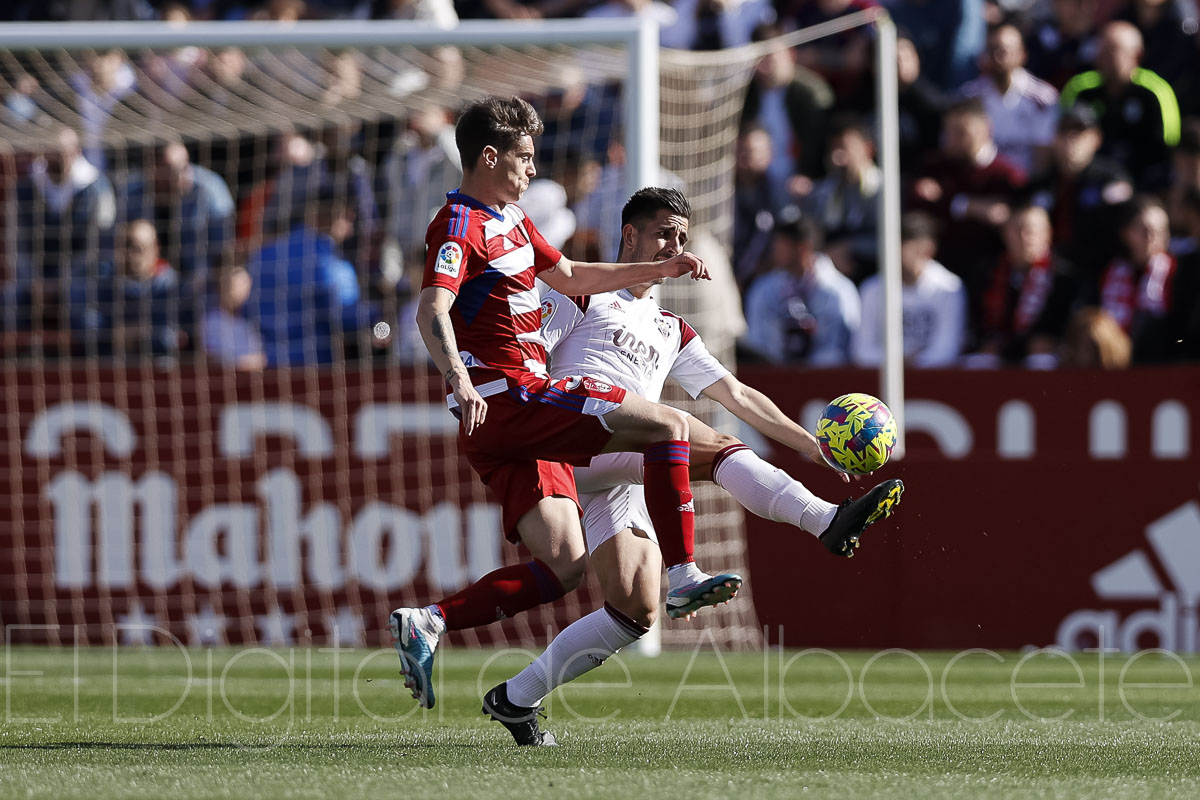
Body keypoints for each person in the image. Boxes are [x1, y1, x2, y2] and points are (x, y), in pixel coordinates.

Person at [481, 188, 904, 746]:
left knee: (634, 609)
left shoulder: (670, 329)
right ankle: (823, 520)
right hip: (575, 444)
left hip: (628, 462)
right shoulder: (578, 296)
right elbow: (527, 365)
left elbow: (737, 392)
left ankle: (516, 698)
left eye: (681, 237)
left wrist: (811, 445)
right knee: (709, 443)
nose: (674, 246)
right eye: (663, 233)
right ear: (629, 235)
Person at [388, 96, 739, 712]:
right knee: (665, 425)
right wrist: (460, 378)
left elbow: (572, 275)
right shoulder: (458, 225)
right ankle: (683, 576)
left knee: (565, 567)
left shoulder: (515, 220)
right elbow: (431, 307)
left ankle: (430, 622)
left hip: (511, 422)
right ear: (489, 156)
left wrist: (659, 268)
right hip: (511, 396)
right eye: (523, 158)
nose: (531, 170)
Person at [909, 97, 1026, 292]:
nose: (951, 139)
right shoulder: (933, 167)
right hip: (938, 277)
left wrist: (945, 201)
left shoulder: (1007, 177)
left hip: (989, 279)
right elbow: (919, 207)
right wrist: (969, 206)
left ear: (985, 129)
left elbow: (1004, 217)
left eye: (960, 132)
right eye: (948, 131)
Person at [1060, 21, 1180, 190]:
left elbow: (1169, 148)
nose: (1103, 56)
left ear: (1136, 56)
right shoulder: (1080, 88)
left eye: (1112, 50)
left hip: (1142, 183)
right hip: (1091, 182)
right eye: (1101, 49)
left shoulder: (1155, 92)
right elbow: (1061, 136)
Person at [742, 216, 861, 365]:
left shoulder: (838, 292)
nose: (774, 250)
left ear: (803, 248)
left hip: (828, 380)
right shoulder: (763, 290)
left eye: (781, 244)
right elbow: (758, 345)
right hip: (775, 379)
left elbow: (839, 349)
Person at [852, 211, 966, 367]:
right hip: (882, 381)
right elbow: (862, 351)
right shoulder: (872, 289)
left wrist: (915, 362)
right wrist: (900, 361)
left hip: (932, 382)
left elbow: (947, 350)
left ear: (929, 249)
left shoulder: (948, 288)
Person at [974, 204, 1080, 367]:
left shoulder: (1065, 277)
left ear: (1048, 234)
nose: (1024, 238)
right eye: (1017, 230)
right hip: (1002, 357)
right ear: (1005, 235)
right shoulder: (989, 274)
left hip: (1049, 362)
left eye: (1031, 230)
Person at [67, 219, 186, 359]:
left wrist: (137, 334)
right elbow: (85, 324)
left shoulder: (171, 287)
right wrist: (111, 335)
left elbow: (173, 336)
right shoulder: (103, 281)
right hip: (108, 365)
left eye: (137, 248)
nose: (129, 254)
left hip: (158, 367)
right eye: (124, 246)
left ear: (155, 250)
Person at [956, 23, 1059, 177]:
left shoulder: (1043, 99)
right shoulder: (969, 97)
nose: (997, 57)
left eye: (1003, 51)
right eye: (991, 51)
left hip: (1026, 187)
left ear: (1022, 55)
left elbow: (1042, 159)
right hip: (982, 186)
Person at [1094, 196, 1183, 362]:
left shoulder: (1180, 272)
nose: (1152, 236)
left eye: (1161, 230)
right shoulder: (1110, 272)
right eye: (1144, 229)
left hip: (1162, 362)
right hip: (1116, 361)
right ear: (1125, 233)